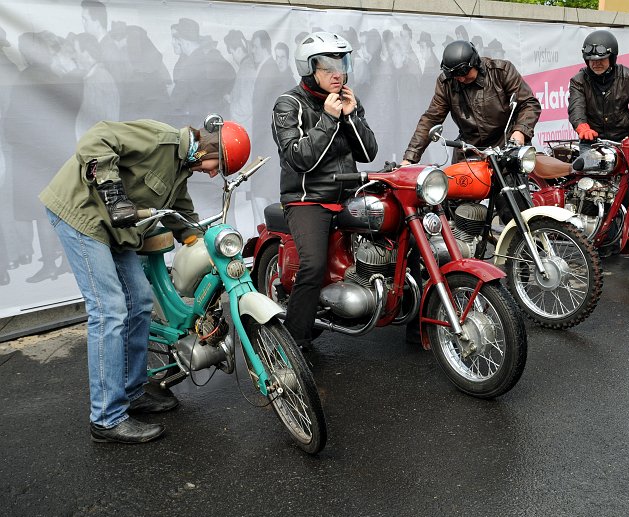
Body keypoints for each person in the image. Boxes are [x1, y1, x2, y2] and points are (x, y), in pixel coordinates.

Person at [38, 118, 251, 444]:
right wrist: (111, 190)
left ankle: (131, 391)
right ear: (209, 147)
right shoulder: (159, 139)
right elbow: (97, 138)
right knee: (109, 310)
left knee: (139, 301)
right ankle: (106, 418)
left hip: (116, 229)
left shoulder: (181, 169)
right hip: (81, 214)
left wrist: (200, 240)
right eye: (216, 165)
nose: (211, 173)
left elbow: (181, 209)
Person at [272, 31, 378, 352]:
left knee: (399, 236)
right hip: (308, 199)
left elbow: (367, 152)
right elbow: (298, 158)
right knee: (313, 267)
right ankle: (294, 344)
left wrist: (352, 116)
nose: (338, 72)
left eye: (342, 63)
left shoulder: (346, 100)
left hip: (348, 196)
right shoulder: (288, 104)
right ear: (309, 68)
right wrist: (329, 119)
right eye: (328, 65)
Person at [401, 39, 541, 166]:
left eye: (464, 73)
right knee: (456, 189)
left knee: (515, 192)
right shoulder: (446, 83)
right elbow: (431, 119)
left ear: (475, 62)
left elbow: (529, 104)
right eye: (455, 76)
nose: (461, 79)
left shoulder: (501, 71)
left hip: (506, 145)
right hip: (470, 150)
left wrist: (520, 132)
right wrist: (410, 158)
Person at [568, 30, 629, 149]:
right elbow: (576, 107)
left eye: (601, 60)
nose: (596, 64)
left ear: (612, 58)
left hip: (623, 140)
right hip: (592, 141)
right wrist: (582, 127)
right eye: (592, 60)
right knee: (588, 166)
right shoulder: (579, 81)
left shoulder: (628, 77)